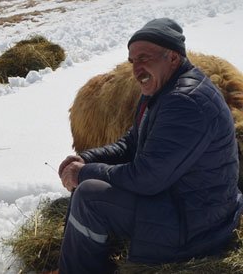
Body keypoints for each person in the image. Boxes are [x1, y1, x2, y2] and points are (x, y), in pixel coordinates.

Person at [55, 18, 243, 273]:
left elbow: (148, 178)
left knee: (90, 196)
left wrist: (85, 173)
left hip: (198, 227)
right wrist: (86, 160)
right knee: (85, 185)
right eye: (133, 61)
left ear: (173, 57)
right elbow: (132, 144)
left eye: (145, 58)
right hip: (184, 205)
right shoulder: (162, 92)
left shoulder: (185, 103)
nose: (136, 69)